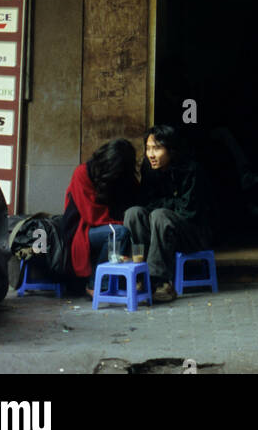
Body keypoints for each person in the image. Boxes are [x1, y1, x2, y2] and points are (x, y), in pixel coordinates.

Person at [123, 125, 213, 303]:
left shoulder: (191, 170)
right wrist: (166, 204)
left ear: (171, 150)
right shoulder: (149, 170)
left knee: (160, 215)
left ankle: (159, 282)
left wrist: (161, 207)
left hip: (193, 234)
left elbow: (187, 211)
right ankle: (140, 277)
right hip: (162, 232)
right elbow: (146, 203)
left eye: (156, 148)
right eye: (148, 148)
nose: (151, 155)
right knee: (134, 213)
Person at [62, 139, 139, 291]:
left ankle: (131, 281)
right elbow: (92, 215)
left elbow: (133, 201)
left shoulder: (123, 177)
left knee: (133, 225)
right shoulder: (82, 173)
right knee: (119, 232)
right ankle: (96, 284)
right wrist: (121, 222)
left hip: (105, 225)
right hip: (82, 230)